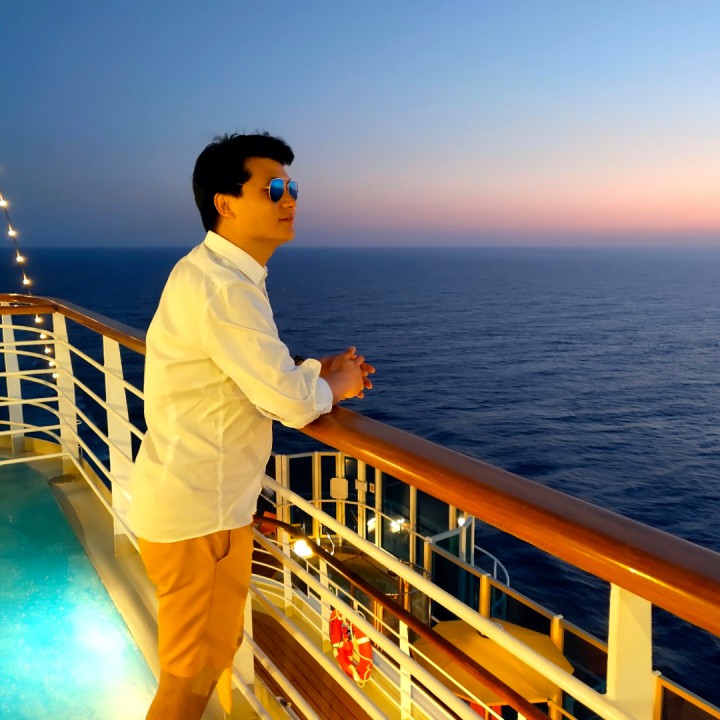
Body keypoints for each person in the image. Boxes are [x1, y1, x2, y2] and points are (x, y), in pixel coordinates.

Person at [128, 132, 373, 720]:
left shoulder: (214, 273)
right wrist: (337, 385)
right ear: (226, 203)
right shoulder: (224, 287)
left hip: (198, 507)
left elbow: (248, 371)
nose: (290, 199)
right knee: (188, 682)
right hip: (200, 518)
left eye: (293, 188)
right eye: (273, 188)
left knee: (203, 665)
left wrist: (312, 371)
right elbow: (289, 404)